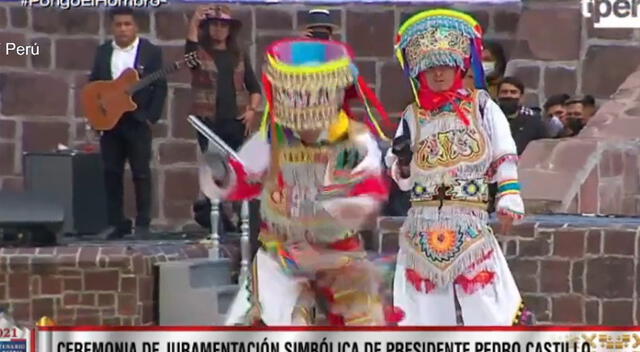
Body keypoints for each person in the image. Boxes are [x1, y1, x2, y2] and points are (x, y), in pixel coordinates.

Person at [200, 38, 393, 326]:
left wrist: (330, 211)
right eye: (296, 97)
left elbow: (369, 196)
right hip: (280, 254)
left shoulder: (355, 140)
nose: (304, 106)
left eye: (312, 97)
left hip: (337, 257)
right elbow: (242, 178)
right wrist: (221, 176)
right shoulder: (274, 137)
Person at [387, 9, 531, 326]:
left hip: (469, 222)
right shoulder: (413, 115)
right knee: (422, 308)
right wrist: (404, 161)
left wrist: (508, 195)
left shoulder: (481, 105)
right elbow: (403, 178)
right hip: (421, 225)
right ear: (419, 73)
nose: (438, 74)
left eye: (445, 67)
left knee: (487, 300)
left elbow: (503, 150)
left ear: (459, 67)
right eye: (430, 68)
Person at [89, 7, 167, 240]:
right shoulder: (103, 52)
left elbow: (160, 87)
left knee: (141, 172)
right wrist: (95, 115)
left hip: (137, 119)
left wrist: (150, 116)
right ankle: (116, 223)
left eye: (127, 24)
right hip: (110, 121)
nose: (123, 29)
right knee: (111, 172)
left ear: (135, 27)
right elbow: (94, 85)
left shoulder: (150, 52)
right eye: (118, 25)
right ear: (112, 27)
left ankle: (143, 223)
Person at [186, 5, 262, 237]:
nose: (219, 30)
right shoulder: (199, 54)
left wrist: (251, 110)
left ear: (230, 30)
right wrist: (196, 19)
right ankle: (215, 220)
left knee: (239, 171)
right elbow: (190, 46)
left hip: (236, 121)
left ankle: (244, 221)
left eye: (223, 25)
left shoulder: (238, 54)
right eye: (215, 25)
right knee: (216, 171)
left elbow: (254, 87)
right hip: (209, 122)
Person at [496, 76, 546, 155]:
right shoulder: (488, 120)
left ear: (522, 97)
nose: (508, 95)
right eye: (504, 92)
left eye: (513, 92)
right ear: (497, 96)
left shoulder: (535, 124)